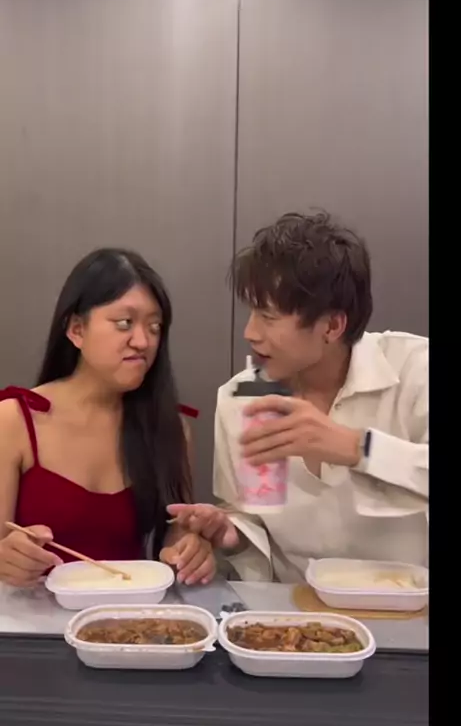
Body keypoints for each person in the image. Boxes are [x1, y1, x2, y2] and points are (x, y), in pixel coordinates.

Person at [169, 211, 429, 582]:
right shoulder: (240, 400)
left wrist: (357, 447)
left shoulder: (415, 371)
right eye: (251, 312)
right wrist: (229, 532)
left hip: (406, 606)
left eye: (268, 316)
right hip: (292, 609)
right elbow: (249, 516)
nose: (249, 332)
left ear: (332, 325)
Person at [0, 248, 234, 588]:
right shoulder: (14, 419)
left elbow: (175, 534)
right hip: (29, 614)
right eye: (124, 323)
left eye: (154, 327)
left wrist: (188, 550)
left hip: (128, 614)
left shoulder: (170, 428)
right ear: (76, 329)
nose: (142, 341)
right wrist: (7, 558)